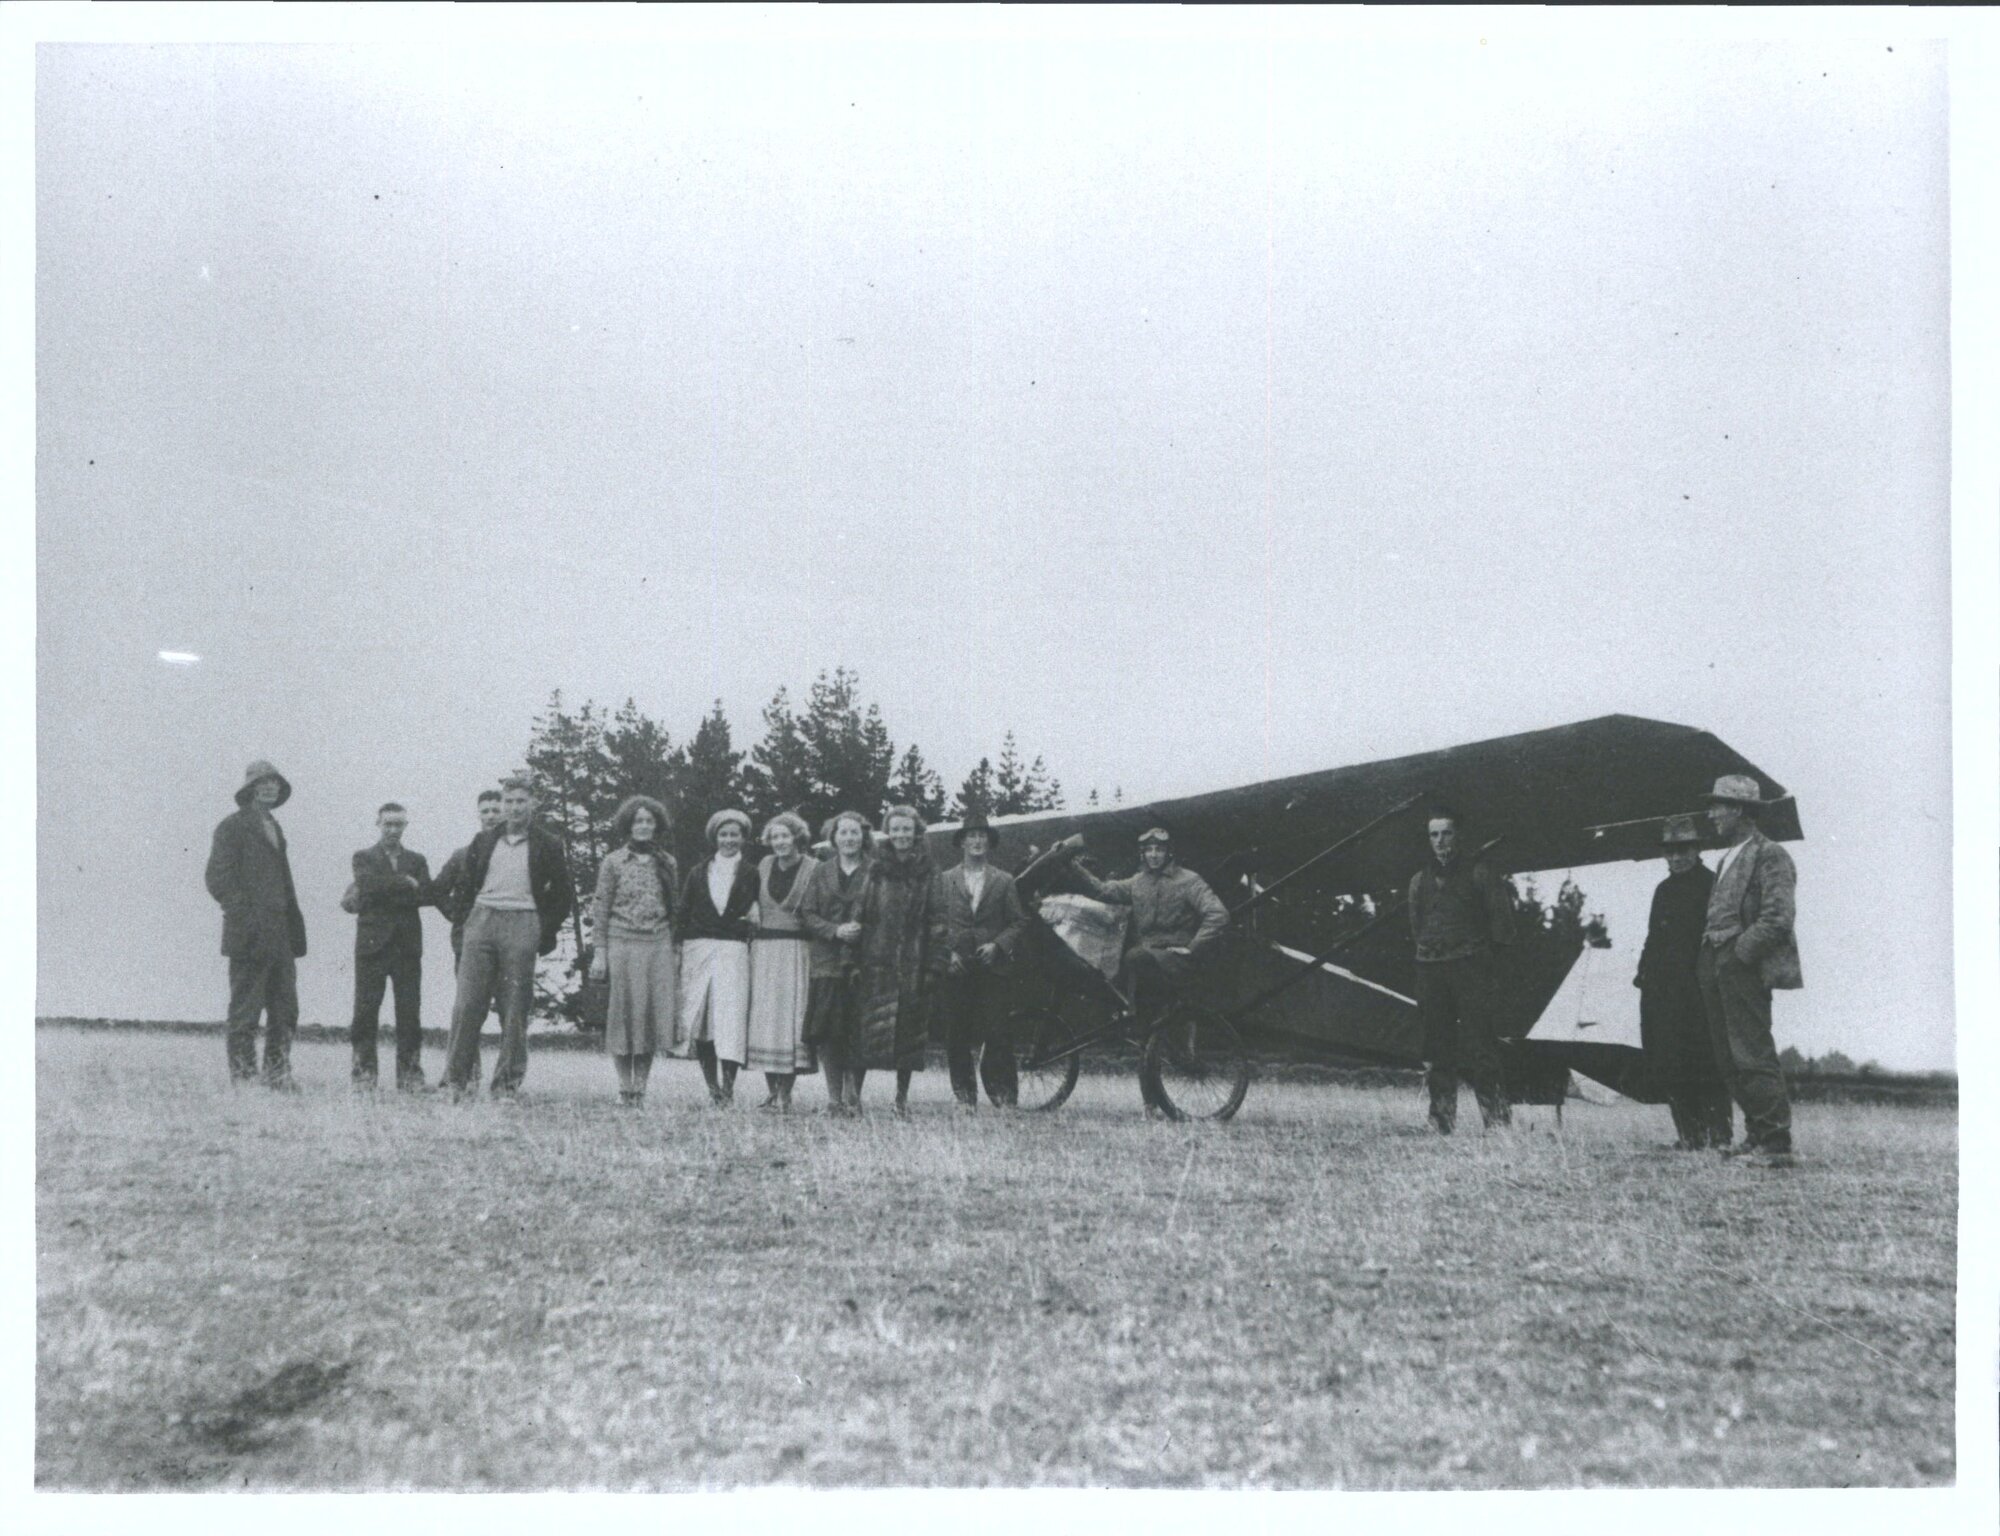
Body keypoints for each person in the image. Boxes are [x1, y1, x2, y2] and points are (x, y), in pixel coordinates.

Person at [441, 776, 574, 1099]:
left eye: (521, 801)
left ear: (533, 805)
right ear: (502, 804)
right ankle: (455, 1082)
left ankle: (507, 1084)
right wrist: (466, 923)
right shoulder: (483, 841)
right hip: (482, 920)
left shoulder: (548, 844)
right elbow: (465, 888)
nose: (514, 808)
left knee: (514, 1006)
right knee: (467, 1003)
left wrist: (544, 930)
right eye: (509, 801)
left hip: (523, 922)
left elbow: (563, 895)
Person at [1696, 774, 1804, 1166]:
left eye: (1718, 806)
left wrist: (1739, 952)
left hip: (1740, 964)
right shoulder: (1727, 857)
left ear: (1739, 810)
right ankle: (1757, 1135)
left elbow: (1778, 917)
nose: (1711, 815)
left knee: (1751, 1052)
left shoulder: (1770, 854)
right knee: (1728, 1056)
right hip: (1716, 962)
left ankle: (1776, 1145)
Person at [1406, 807, 1516, 1134]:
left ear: (1459, 835)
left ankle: (1496, 1122)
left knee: (1481, 1047)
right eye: (1433, 835)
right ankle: (1440, 1121)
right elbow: (1418, 928)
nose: (1440, 841)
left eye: (1446, 833)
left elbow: (1503, 928)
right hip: (1432, 972)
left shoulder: (1481, 874)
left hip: (1471, 970)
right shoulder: (1418, 882)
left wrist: (1482, 963)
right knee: (1437, 1048)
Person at [203, 759, 307, 1089]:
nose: (270, 787)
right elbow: (217, 878)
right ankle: (245, 1080)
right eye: (263, 782)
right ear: (249, 789)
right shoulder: (232, 827)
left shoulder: (275, 828)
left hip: (281, 936)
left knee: (285, 1010)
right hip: (249, 936)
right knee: (246, 1011)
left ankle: (277, 1076)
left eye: (275, 783)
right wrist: (245, 917)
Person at [1634, 814, 1731, 1149]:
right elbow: (1652, 937)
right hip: (1663, 991)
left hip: (1699, 991)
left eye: (1683, 850)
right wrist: (1644, 975)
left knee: (1706, 1061)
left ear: (1697, 849)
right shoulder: (1662, 890)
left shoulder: (1712, 885)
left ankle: (1719, 1135)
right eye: (1670, 851)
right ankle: (1689, 1136)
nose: (1676, 857)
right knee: (1670, 1062)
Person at [1067, 826, 1229, 1018]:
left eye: (1159, 850)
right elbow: (1103, 890)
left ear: (1169, 852)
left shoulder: (1189, 880)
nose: (1154, 855)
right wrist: (1072, 866)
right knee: (1107, 964)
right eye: (1149, 850)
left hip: (1177, 959)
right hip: (1147, 960)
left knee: (1135, 957)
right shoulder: (1138, 881)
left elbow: (1218, 914)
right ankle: (1135, 1017)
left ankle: (1136, 1014)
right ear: (1142, 853)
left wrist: (1193, 947)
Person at [587, 796, 680, 1107]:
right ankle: (623, 1087)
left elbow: (674, 906)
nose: (643, 826)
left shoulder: (667, 862)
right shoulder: (613, 862)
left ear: (657, 825)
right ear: (628, 825)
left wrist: (674, 947)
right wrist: (599, 951)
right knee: (623, 1016)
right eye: (637, 821)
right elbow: (601, 907)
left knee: (648, 1018)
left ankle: (640, 1088)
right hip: (621, 941)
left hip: (657, 943)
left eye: (648, 821)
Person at [936, 811, 1030, 1110]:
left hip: (992, 967)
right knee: (957, 1035)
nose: (977, 841)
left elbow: (1018, 922)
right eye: (971, 836)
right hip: (956, 966)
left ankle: (1005, 1100)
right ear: (961, 842)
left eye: (982, 836)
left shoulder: (1003, 880)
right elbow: (933, 923)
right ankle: (965, 1099)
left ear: (989, 842)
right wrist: (947, 953)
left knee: (998, 1032)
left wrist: (997, 946)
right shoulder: (944, 880)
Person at [853, 805, 944, 1116]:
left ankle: (900, 1101)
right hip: (875, 963)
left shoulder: (929, 870)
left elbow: (938, 920)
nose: (901, 835)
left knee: (909, 1036)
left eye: (907, 829)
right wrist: (854, 961)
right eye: (896, 829)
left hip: (913, 965)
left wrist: (933, 965)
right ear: (887, 833)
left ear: (916, 832)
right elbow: (860, 915)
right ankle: (855, 1100)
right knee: (866, 1034)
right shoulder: (874, 868)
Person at [672, 808, 760, 1105]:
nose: (729, 840)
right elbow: (683, 911)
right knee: (703, 1019)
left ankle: (729, 1087)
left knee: (730, 1019)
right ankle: (713, 1090)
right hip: (699, 948)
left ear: (743, 838)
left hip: (733, 950)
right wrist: (677, 947)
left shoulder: (751, 872)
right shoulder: (699, 871)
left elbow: (758, 909)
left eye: (735, 834)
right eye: (724, 834)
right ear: (715, 837)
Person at [348, 802, 434, 1090]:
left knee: (409, 1015)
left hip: (407, 947)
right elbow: (367, 885)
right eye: (388, 824)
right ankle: (363, 1076)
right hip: (372, 947)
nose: (393, 830)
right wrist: (403, 883)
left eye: (399, 824)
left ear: (405, 826)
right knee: (365, 1013)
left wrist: (389, 888)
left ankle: (410, 1077)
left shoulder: (417, 859)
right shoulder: (363, 857)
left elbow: (423, 894)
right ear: (378, 823)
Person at [800, 811, 876, 1115]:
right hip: (827, 961)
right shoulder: (820, 872)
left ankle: (853, 1097)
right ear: (834, 838)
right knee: (830, 1032)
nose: (849, 838)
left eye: (854, 832)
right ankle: (834, 1099)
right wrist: (835, 931)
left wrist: (863, 931)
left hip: (865, 959)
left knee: (859, 1029)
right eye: (843, 833)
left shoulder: (877, 871)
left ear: (863, 836)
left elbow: (887, 912)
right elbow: (807, 913)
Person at [744, 811, 819, 1112]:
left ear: (797, 837)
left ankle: (786, 1094)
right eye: (774, 837)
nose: (780, 842)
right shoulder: (763, 865)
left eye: (785, 836)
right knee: (766, 1020)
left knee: (790, 1021)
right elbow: (751, 896)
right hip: (763, 950)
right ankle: (771, 1092)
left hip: (797, 950)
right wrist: (751, 906)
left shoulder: (814, 867)